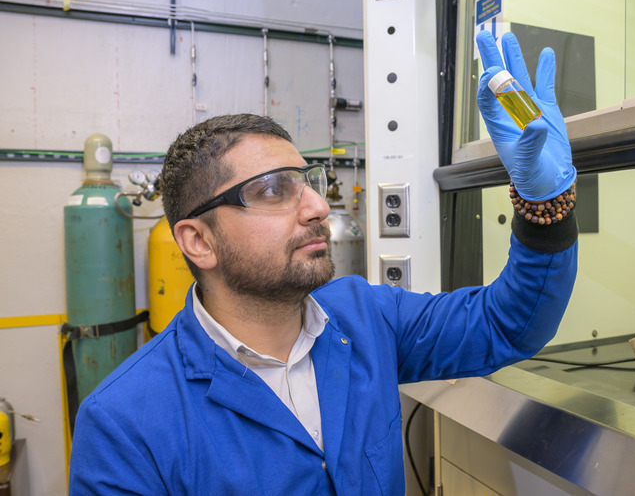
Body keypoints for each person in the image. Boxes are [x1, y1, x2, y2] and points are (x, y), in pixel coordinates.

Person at [68, 30, 578, 495]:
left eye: (307, 181)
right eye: (273, 190)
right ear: (199, 241)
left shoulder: (363, 316)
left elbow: (508, 324)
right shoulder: (124, 423)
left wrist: (546, 205)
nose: (316, 207)